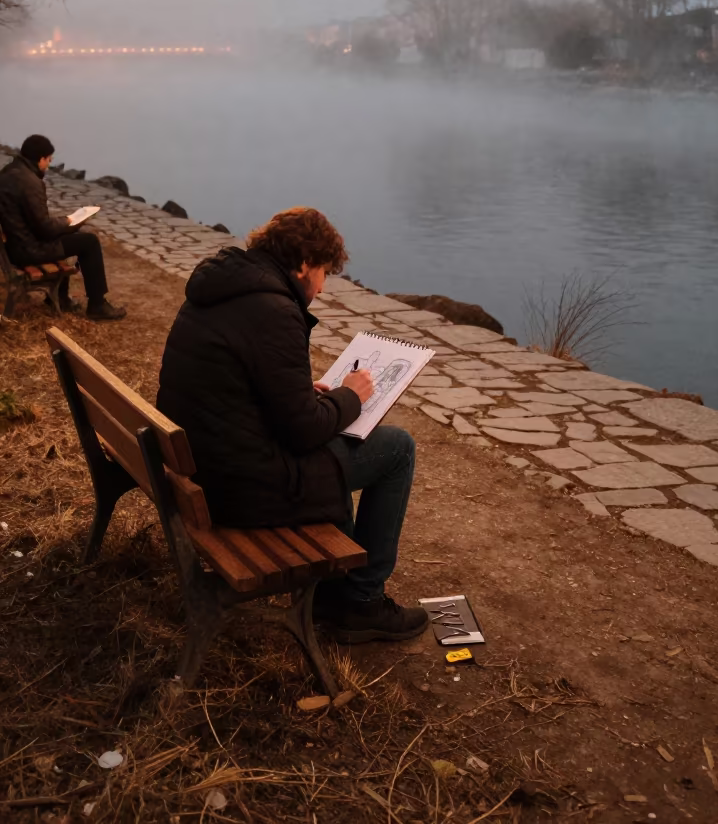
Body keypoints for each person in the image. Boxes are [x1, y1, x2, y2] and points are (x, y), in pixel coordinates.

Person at [157, 206, 428, 644]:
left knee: (339, 448)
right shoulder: (274, 309)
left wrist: (302, 391)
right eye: (324, 272)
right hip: (240, 489)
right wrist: (351, 396)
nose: (321, 288)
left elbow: (235, 381)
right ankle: (361, 603)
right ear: (304, 263)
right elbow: (303, 431)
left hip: (204, 467)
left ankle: (330, 595)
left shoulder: (222, 288)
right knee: (395, 448)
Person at [0, 134, 126, 321]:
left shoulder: (8, 173)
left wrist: (67, 226)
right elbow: (45, 229)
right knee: (89, 242)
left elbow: (35, 222)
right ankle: (97, 305)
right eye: (49, 160)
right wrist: (69, 221)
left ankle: (60, 297)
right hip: (27, 250)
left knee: (75, 236)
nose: (49, 165)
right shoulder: (30, 183)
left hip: (14, 245)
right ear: (41, 158)